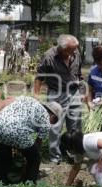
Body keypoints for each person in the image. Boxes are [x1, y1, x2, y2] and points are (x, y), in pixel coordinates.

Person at [0, 96, 62, 183]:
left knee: (4, 153)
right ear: (52, 115)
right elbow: (37, 145)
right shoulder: (46, 120)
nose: (52, 124)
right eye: (54, 121)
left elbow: (4, 102)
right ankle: (30, 182)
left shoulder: (28, 99)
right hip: (16, 132)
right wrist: (27, 155)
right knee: (35, 157)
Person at [34, 34, 82, 164]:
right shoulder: (49, 56)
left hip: (74, 92)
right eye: (71, 50)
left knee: (76, 125)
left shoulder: (76, 52)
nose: (74, 52)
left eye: (75, 49)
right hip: (56, 94)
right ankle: (55, 156)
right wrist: (36, 96)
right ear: (62, 48)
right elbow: (39, 76)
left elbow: (78, 71)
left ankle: (73, 153)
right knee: (55, 127)